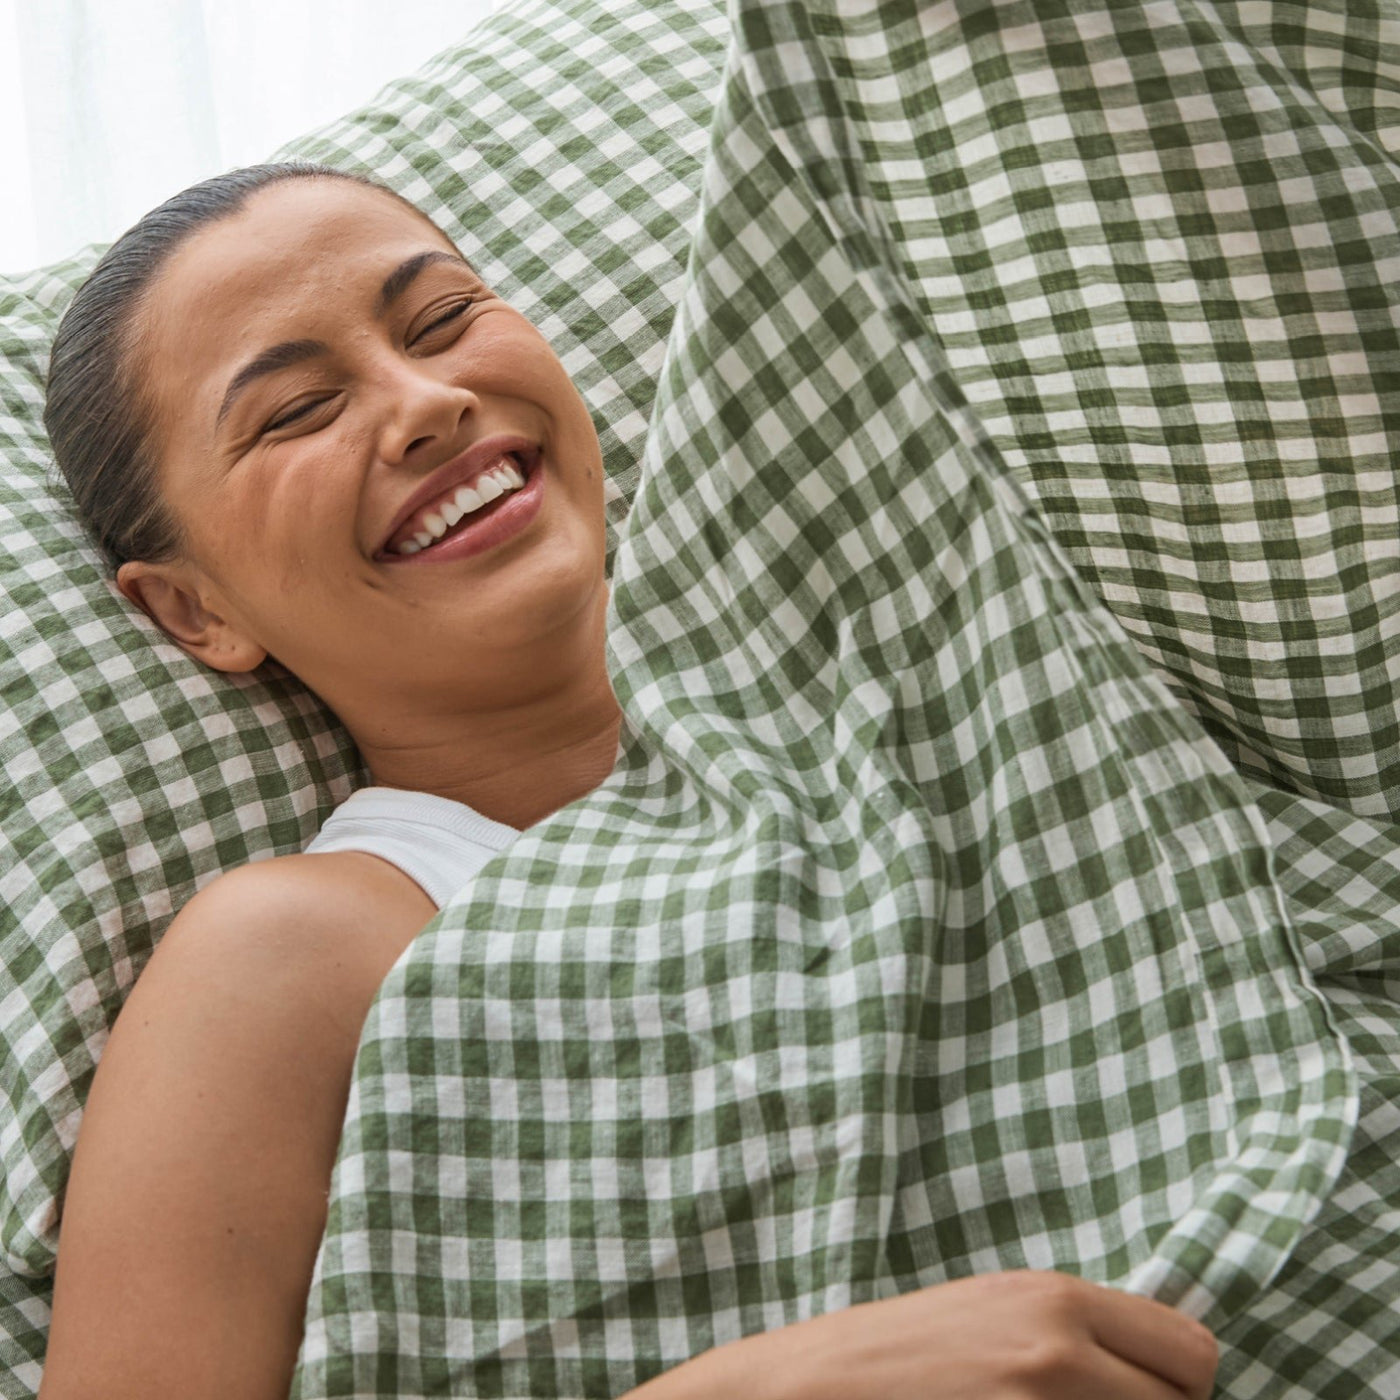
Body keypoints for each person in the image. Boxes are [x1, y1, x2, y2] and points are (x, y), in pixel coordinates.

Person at [37, 163, 1217, 1400]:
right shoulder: (296, 949)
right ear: (193, 607)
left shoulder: (932, 643)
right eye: (295, 411)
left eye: (441, 320)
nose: (427, 399)